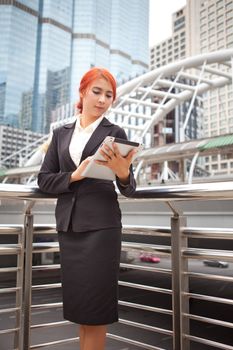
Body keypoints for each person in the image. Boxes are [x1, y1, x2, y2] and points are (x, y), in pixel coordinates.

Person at [37, 67, 137, 350]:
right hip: (69, 228)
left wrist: (123, 172)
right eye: (97, 91)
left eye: (109, 95)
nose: (103, 99)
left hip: (102, 229)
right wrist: (74, 175)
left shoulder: (115, 133)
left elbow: (130, 188)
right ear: (82, 92)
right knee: (81, 311)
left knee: (95, 313)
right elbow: (44, 180)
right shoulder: (61, 134)